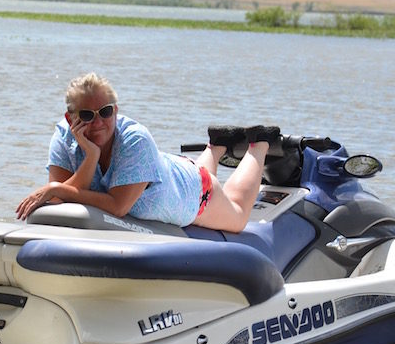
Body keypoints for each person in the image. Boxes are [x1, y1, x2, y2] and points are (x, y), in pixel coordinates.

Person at [15, 72, 279, 233]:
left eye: (105, 112)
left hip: (194, 191)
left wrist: (57, 189)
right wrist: (91, 157)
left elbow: (117, 206)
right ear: (69, 117)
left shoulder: (135, 139)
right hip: (169, 173)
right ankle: (218, 144)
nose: (97, 123)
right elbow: (61, 199)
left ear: (115, 111)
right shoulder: (63, 137)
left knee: (237, 216)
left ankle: (260, 144)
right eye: (86, 115)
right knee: (196, 172)